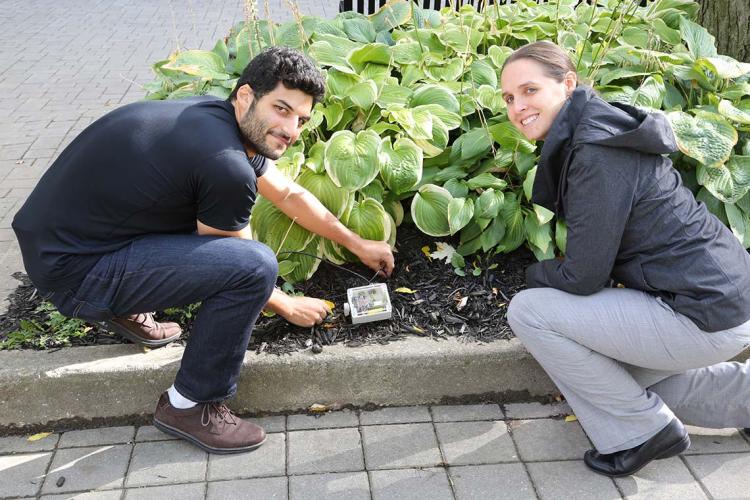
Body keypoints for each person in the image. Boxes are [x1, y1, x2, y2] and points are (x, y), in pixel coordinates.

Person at [12, 46, 394, 454]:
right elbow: (239, 264)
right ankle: (189, 404)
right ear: (246, 95)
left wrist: (355, 243)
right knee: (255, 264)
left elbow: (288, 193)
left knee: (208, 233)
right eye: (282, 110)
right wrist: (287, 305)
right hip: (75, 272)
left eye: (300, 118)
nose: (292, 129)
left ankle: (124, 306)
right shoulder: (225, 164)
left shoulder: (217, 119)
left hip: (64, 244)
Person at [500, 41, 750, 477]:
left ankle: (642, 432)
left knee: (529, 312)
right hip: (724, 299)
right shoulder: (600, 126)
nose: (518, 107)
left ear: (568, 84)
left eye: (529, 91)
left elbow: (584, 275)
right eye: (508, 98)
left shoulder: (596, 151)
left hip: (702, 311)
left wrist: (530, 273)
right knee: (616, 381)